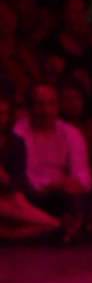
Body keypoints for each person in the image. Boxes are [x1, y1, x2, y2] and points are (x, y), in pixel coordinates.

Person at [14, 83, 92, 241]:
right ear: (30, 108)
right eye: (40, 105)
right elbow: (22, 176)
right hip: (32, 194)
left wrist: (71, 184)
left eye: (51, 104)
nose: (46, 111)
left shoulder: (70, 133)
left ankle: (69, 227)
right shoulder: (19, 134)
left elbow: (83, 174)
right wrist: (48, 187)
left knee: (78, 199)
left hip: (63, 191)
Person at [0, 93, 61, 240]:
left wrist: (6, 180)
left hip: (8, 196)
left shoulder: (15, 143)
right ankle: (57, 225)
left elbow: (17, 180)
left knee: (17, 201)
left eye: (3, 114)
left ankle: (55, 225)